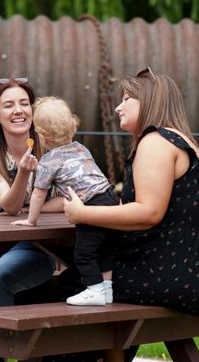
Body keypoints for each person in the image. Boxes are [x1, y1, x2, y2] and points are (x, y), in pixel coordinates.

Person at [59, 67, 199, 362]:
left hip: (175, 281)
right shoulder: (188, 145)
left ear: (150, 102)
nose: (119, 107)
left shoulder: (155, 143)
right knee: (105, 280)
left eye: (127, 99)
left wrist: (83, 214)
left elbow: (150, 213)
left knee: (79, 283)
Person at [11, 97, 119, 306]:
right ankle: (107, 290)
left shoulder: (48, 161)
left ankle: (94, 290)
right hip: (109, 198)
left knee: (83, 253)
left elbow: (38, 194)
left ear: (40, 136)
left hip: (91, 206)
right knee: (105, 250)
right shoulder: (80, 148)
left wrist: (31, 221)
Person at [0, 78, 67, 308]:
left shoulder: (52, 147)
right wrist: (24, 173)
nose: (18, 110)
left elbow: (74, 198)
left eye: (24, 103)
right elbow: (9, 205)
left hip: (38, 246)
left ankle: (0, 344)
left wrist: (34, 209)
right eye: (9, 105)